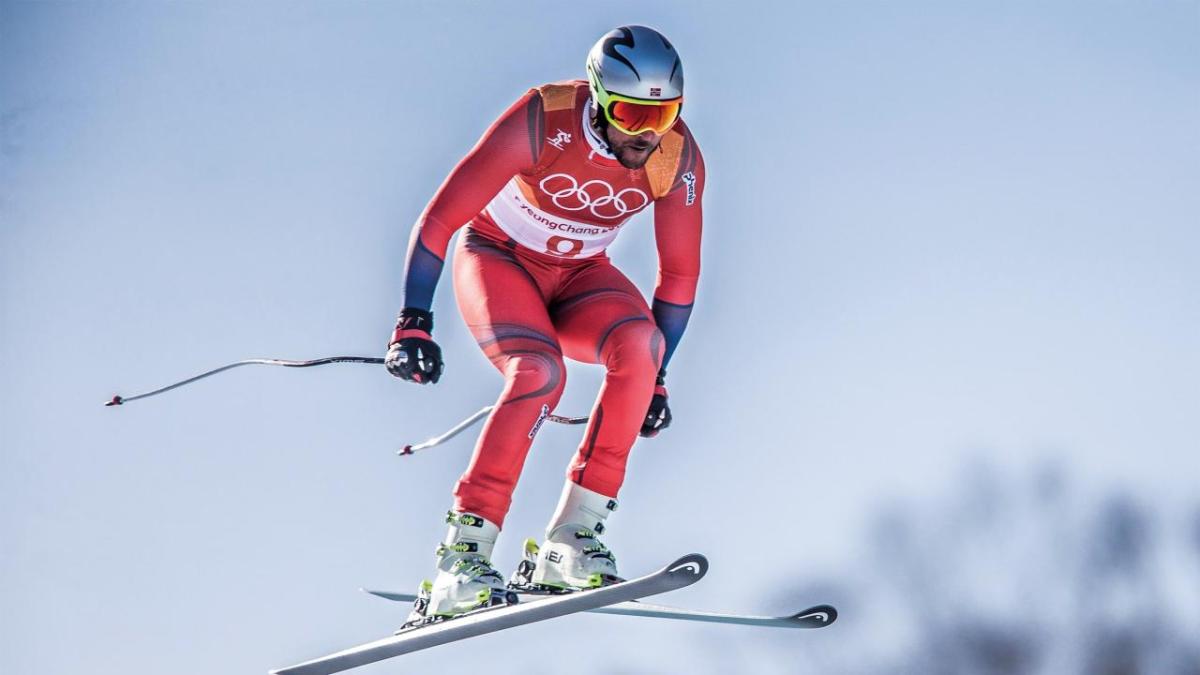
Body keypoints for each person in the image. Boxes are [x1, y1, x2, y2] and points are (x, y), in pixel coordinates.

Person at [385, 24, 705, 624]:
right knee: (538, 374)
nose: (648, 135)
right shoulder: (544, 118)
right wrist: (413, 322)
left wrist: (656, 381)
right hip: (499, 259)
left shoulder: (676, 157)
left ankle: (572, 540)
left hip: (580, 276)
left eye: (664, 115)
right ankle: (463, 557)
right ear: (600, 100)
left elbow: (680, 278)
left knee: (642, 346)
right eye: (634, 115)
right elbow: (438, 222)